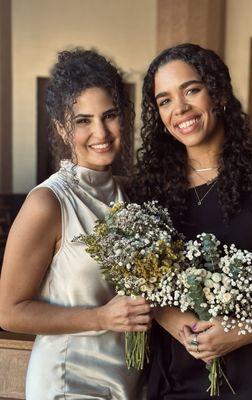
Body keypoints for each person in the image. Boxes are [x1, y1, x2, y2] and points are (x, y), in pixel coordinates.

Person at [130, 43, 252, 399]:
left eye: (191, 90)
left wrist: (250, 329)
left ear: (218, 92)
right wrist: (181, 328)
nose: (180, 109)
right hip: (181, 380)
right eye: (164, 100)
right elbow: (145, 285)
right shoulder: (150, 193)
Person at [0, 49, 151, 400]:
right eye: (83, 120)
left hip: (128, 382)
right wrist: (101, 318)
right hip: (69, 381)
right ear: (62, 128)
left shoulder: (130, 195)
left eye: (109, 115)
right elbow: (10, 313)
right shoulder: (48, 202)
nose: (100, 131)